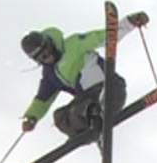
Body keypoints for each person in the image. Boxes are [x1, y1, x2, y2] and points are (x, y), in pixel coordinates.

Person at [19, 11, 150, 143]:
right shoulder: (50, 76)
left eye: (47, 52)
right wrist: (31, 117)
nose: (48, 58)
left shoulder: (73, 44)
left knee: (84, 102)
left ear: (51, 44)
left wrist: (130, 22)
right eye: (41, 58)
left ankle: (99, 108)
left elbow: (103, 36)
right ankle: (92, 133)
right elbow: (42, 100)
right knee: (60, 117)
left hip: (110, 89)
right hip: (85, 103)